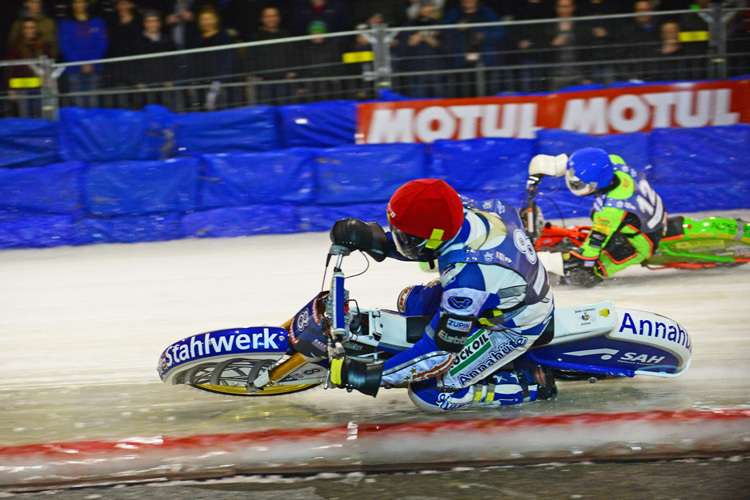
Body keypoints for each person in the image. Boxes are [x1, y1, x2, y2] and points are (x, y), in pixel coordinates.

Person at [327, 178, 557, 411]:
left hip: (512, 325)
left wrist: (371, 376)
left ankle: (532, 384)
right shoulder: (459, 208)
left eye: (404, 237)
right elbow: (425, 240)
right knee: (409, 300)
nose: (400, 240)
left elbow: (439, 353)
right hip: (503, 286)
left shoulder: (467, 279)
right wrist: (371, 238)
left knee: (429, 394)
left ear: (436, 237)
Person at [562, 147, 667, 286]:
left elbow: (594, 245)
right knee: (600, 219)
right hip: (650, 213)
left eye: (579, 184)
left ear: (595, 184)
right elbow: (594, 161)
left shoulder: (611, 209)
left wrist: (573, 258)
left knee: (587, 270)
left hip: (646, 238)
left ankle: (597, 272)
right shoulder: (613, 163)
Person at [58, 0, 109, 108]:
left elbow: (102, 42)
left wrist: (92, 62)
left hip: (94, 67)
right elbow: (64, 45)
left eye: (82, 2)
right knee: (78, 102)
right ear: (72, 4)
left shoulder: (97, 21)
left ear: (86, 4)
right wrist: (79, 64)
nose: (79, 5)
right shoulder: (65, 23)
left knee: (93, 101)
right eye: (76, 2)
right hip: (74, 69)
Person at [5, 17, 55, 117]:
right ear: (22, 30)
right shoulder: (15, 48)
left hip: (41, 87)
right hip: (22, 88)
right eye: (26, 28)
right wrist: (10, 89)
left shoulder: (44, 46)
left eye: (32, 27)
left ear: (37, 29)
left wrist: (52, 85)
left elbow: (49, 66)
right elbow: (10, 70)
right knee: (26, 118)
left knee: (43, 116)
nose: (29, 30)